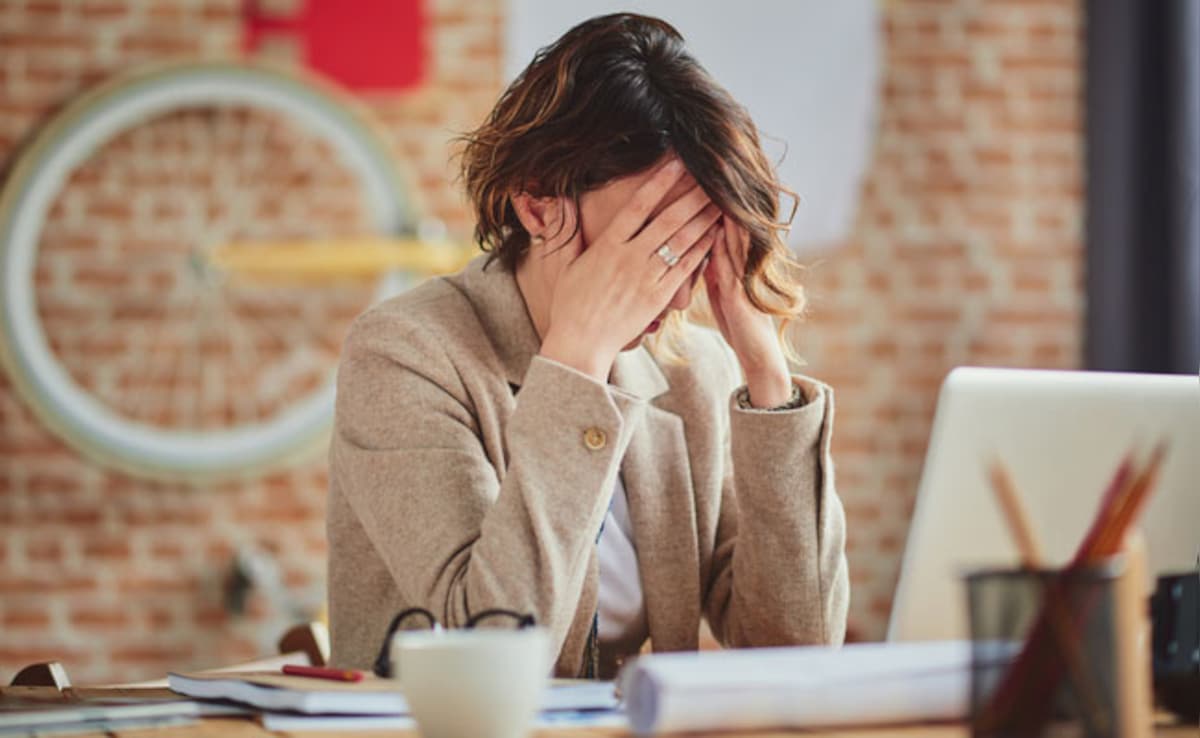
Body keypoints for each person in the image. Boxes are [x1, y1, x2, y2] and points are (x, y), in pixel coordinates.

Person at [326, 12, 849, 679]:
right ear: (539, 206)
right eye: (655, 235)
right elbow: (495, 653)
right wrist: (574, 363)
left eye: (698, 239)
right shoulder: (406, 353)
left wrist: (767, 375)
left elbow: (795, 654)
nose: (676, 286)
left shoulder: (694, 372)